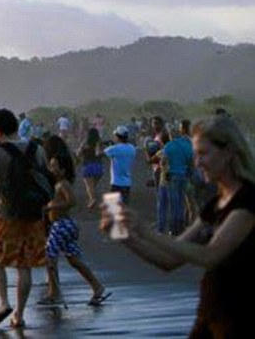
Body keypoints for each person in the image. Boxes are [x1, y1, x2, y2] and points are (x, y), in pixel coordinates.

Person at [100, 116, 255, 338]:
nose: (197, 162)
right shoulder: (216, 204)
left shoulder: (247, 202)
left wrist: (144, 229)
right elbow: (169, 259)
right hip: (211, 319)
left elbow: (210, 256)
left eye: (204, 154)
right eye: (196, 155)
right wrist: (126, 236)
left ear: (229, 152)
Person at [0, 109, 49, 328]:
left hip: (7, 214)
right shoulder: (36, 149)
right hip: (33, 214)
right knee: (25, 266)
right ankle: (19, 315)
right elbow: (43, 177)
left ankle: (4, 303)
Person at [39, 136, 110, 306]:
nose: (51, 168)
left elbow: (72, 202)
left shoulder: (62, 184)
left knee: (49, 258)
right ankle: (97, 286)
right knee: (74, 260)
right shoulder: (58, 184)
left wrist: (51, 206)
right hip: (64, 225)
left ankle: (54, 293)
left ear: (63, 170)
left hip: (61, 225)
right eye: (51, 165)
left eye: (55, 166)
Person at [104, 126, 136, 204]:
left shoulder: (115, 149)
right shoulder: (132, 148)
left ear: (118, 137)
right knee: (124, 208)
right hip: (127, 182)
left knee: (113, 209)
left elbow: (100, 153)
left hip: (116, 183)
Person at [77, 128, 105, 209]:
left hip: (88, 166)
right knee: (92, 186)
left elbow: (78, 154)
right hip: (99, 167)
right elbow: (100, 153)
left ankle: (92, 199)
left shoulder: (85, 143)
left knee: (89, 186)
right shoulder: (99, 143)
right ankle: (91, 199)